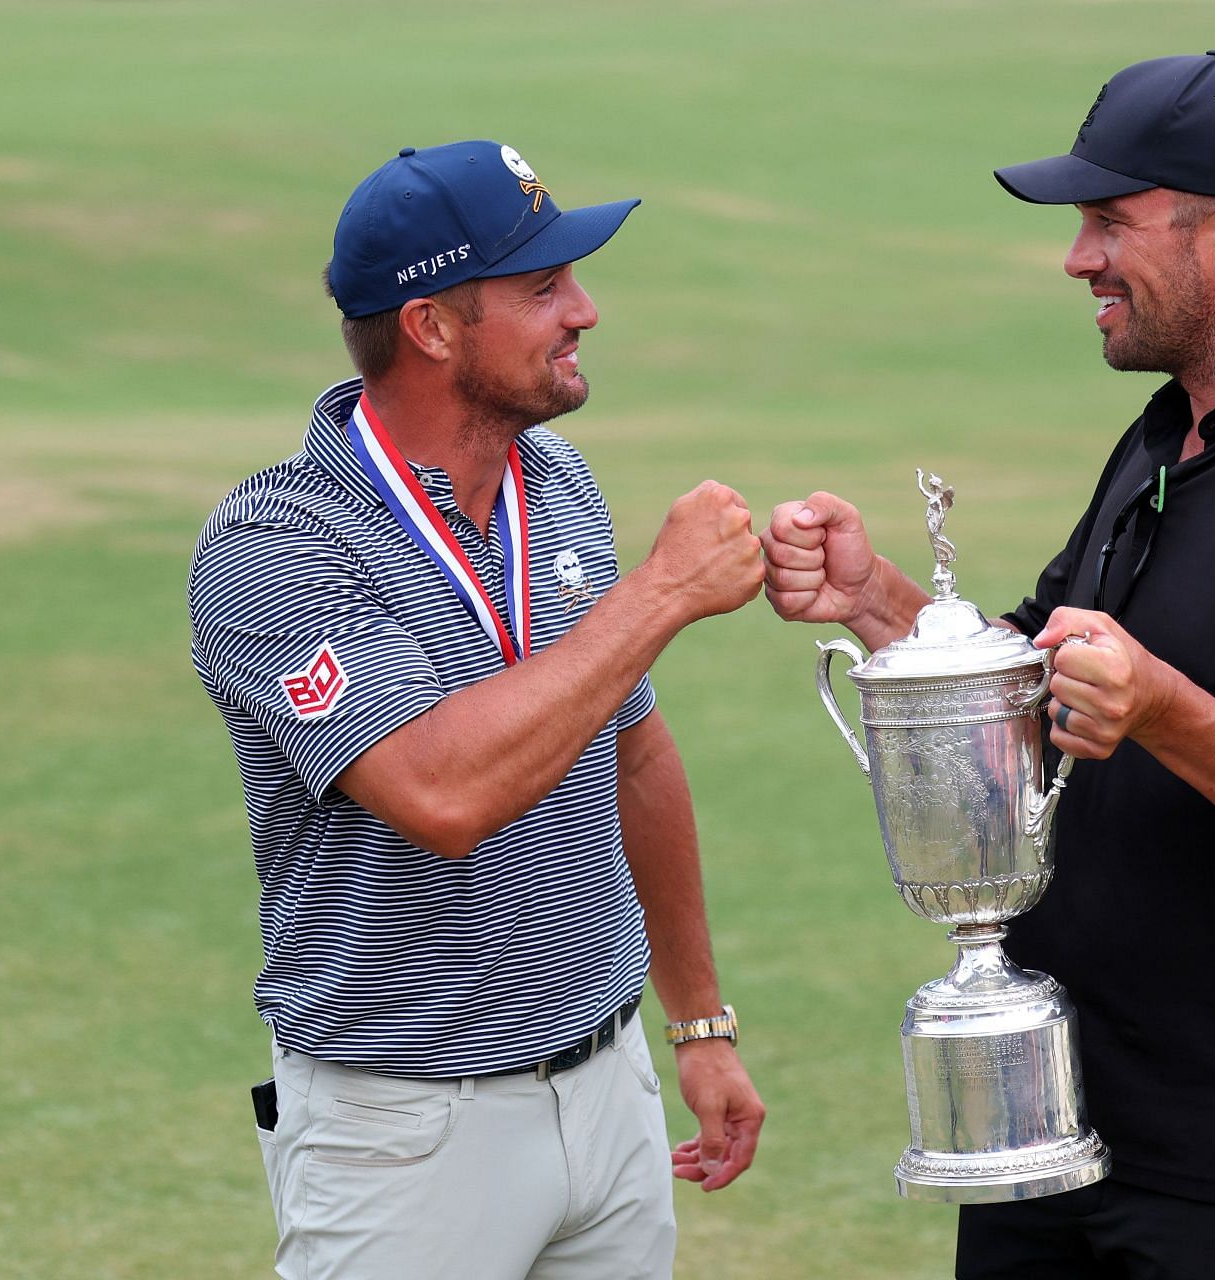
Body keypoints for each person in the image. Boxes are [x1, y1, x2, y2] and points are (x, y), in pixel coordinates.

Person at [761, 53, 1215, 1280]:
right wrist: (877, 600)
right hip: (1052, 1126)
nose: (1078, 256)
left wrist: (1166, 709)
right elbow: (1044, 690)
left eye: (1111, 220)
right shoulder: (1165, 438)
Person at [188, 140, 765, 1280]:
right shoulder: (273, 547)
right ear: (433, 327)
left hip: (609, 1096)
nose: (586, 311)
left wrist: (699, 1024)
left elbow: (633, 755)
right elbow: (444, 793)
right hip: (405, 1137)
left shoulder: (560, 484)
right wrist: (658, 594)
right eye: (542, 287)